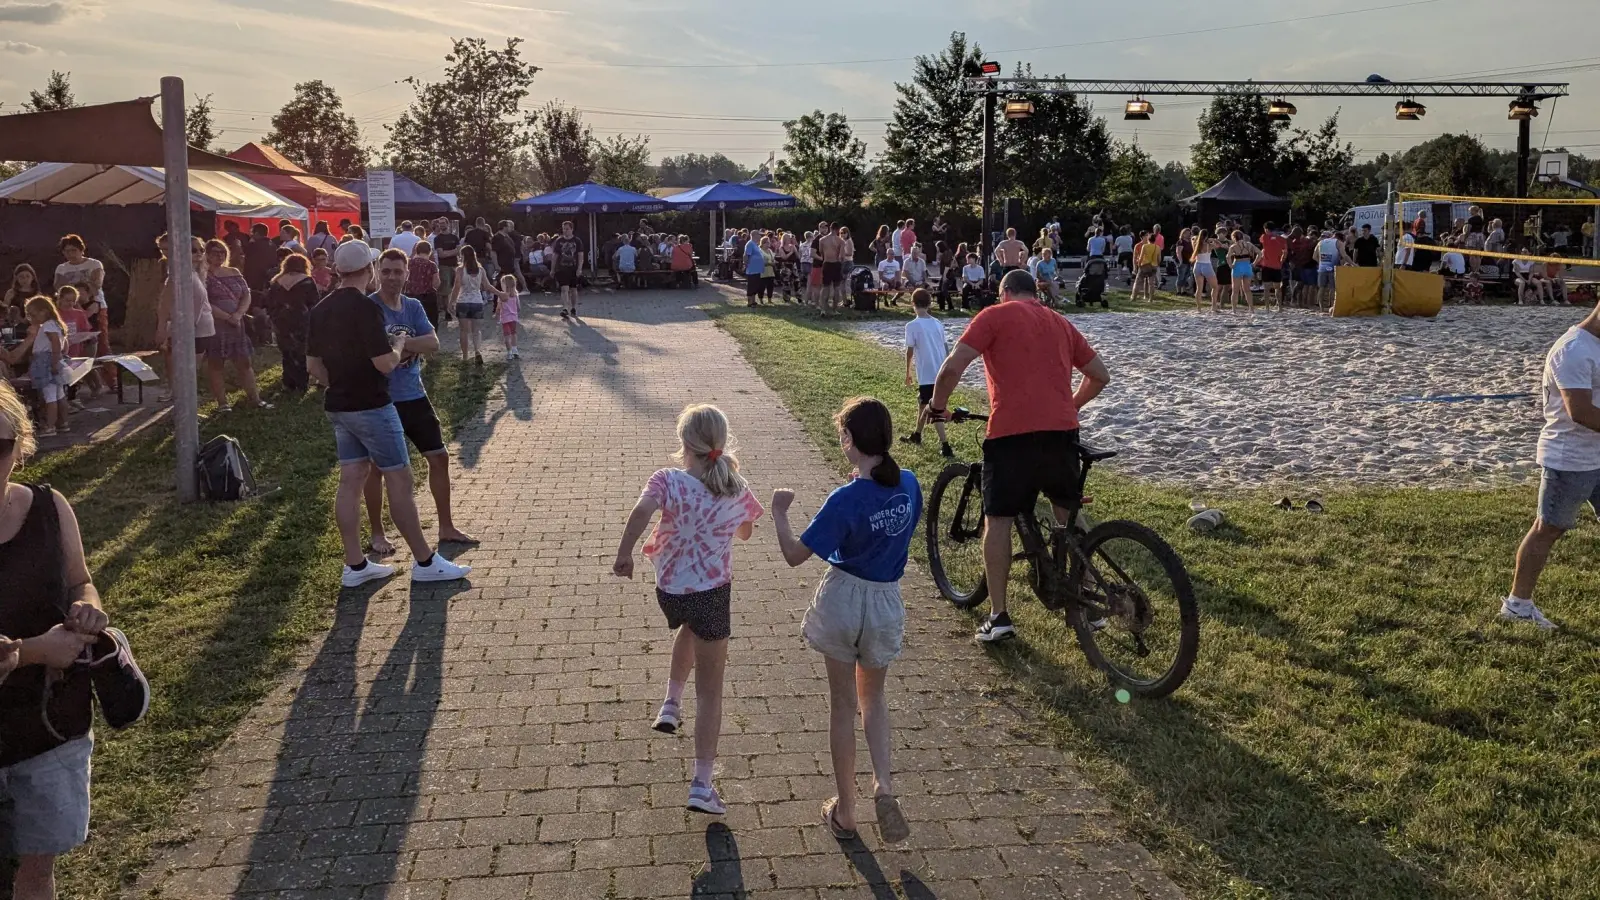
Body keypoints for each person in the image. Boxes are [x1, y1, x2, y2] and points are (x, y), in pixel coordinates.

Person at [0, 377, 145, 900]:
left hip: (51, 722)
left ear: (19, 448)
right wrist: (39, 650)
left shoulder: (47, 504)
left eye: (1, 446)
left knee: (37, 872)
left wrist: (90, 609)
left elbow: (80, 577)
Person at [928, 269, 1110, 642]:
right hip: (1061, 432)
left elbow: (950, 368)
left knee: (999, 520)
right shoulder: (1059, 322)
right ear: (1034, 292)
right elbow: (1099, 375)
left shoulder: (994, 315)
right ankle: (1089, 600)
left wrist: (937, 406)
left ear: (1005, 292)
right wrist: (1069, 406)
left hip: (1011, 434)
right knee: (1067, 511)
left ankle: (999, 617)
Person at [770, 397, 918, 845]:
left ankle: (847, 812)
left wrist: (779, 514)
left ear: (851, 441)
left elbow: (796, 556)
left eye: (842, 436)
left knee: (842, 707)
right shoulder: (910, 485)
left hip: (844, 601)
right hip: (886, 602)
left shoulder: (845, 499)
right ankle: (884, 786)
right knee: (873, 699)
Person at [612, 404, 764, 816]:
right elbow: (747, 531)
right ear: (721, 442)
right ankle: (701, 784)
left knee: (688, 630)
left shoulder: (667, 480)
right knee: (711, 691)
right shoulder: (736, 487)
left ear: (684, 444)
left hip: (671, 591)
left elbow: (642, 512)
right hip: (712, 594)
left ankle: (670, 703)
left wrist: (625, 554)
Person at [308, 241, 471, 587]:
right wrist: (397, 346)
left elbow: (313, 366)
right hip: (374, 407)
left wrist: (341, 382)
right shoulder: (366, 309)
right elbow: (384, 364)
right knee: (399, 480)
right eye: (382, 270)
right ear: (370, 270)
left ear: (337, 269)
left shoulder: (320, 309)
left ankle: (355, 566)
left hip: (339, 406)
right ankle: (426, 563)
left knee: (350, 479)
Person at [360, 248, 478, 558]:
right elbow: (369, 352)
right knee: (377, 469)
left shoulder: (412, 307)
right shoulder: (367, 308)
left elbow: (434, 343)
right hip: (381, 400)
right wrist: (408, 348)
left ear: (407, 274)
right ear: (376, 272)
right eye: (386, 271)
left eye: (398, 272)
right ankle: (377, 533)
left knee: (439, 458)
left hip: (414, 395)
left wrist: (398, 345)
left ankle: (446, 527)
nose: (392, 277)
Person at [1500, 299, 1600, 630]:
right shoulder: (1573, 349)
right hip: (1569, 459)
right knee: (1548, 528)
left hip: (1596, 455)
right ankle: (1518, 606)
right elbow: (1580, 412)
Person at [202, 240, 270, 411]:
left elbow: (246, 294)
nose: (219, 255)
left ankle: (255, 398)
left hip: (237, 324)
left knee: (244, 362)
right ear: (207, 254)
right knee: (216, 364)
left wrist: (238, 314)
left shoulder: (233, 271)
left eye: (222, 252)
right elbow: (205, 301)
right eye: (215, 252)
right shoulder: (203, 274)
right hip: (216, 326)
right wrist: (226, 316)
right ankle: (223, 403)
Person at [6, 296, 70, 436]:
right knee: (59, 394)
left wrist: (54, 361)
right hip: (52, 360)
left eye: (33, 315)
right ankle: (63, 423)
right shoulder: (56, 324)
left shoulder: (47, 326)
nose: (31, 318)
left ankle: (50, 426)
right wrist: (60, 357)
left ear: (45, 311)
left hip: (45, 362)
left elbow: (55, 343)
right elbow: (63, 344)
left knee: (49, 396)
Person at [901, 289, 952, 456]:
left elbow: (909, 351)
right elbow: (945, 347)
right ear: (929, 304)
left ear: (912, 304)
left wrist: (908, 372)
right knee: (923, 404)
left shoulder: (912, 325)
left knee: (934, 408)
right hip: (941, 370)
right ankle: (917, 434)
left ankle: (945, 445)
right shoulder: (937, 323)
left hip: (927, 373)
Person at [265, 253, 318, 394]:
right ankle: (301, 384)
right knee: (301, 353)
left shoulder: (276, 281)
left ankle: (288, 383)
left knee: (286, 353)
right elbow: (314, 302)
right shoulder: (307, 281)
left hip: (281, 321)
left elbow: (269, 303)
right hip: (301, 321)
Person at [451, 245, 494, 363]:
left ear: (463, 256)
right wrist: (499, 293)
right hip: (477, 301)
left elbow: (457, 286)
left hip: (463, 301)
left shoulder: (460, 270)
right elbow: (487, 286)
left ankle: (465, 356)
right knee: (477, 330)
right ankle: (477, 351)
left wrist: (451, 301)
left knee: (464, 331)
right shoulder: (481, 270)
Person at [549, 220, 585, 320]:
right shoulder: (559, 241)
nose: (565, 231)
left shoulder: (577, 241)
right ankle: (565, 308)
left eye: (567, 229)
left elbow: (580, 255)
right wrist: (552, 269)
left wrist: (579, 269)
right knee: (564, 289)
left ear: (572, 229)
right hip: (562, 268)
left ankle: (573, 307)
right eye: (564, 229)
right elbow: (555, 256)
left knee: (573, 289)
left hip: (573, 268)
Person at [406, 241, 442, 330]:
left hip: (410, 296)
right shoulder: (431, 265)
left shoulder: (408, 263)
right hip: (428, 297)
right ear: (429, 251)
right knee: (430, 323)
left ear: (416, 250)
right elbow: (436, 283)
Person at [816, 223, 846, 316]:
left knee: (825, 287)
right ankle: (834, 310)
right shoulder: (841, 241)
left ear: (830, 228)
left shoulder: (822, 240)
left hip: (827, 264)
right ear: (837, 230)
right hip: (836, 264)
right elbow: (842, 256)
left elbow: (821, 252)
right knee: (836, 288)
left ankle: (823, 310)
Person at [1258, 222, 1288, 311]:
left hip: (1267, 265)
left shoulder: (1264, 237)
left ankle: (1267, 307)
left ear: (1266, 229)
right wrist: (1282, 260)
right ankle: (1280, 307)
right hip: (1277, 266)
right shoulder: (1281, 239)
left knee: (1266, 288)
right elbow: (1285, 252)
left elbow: (1262, 242)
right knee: (1277, 288)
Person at [1227, 230, 1256, 314]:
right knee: (1247, 290)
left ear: (1233, 237)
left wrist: (1230, 265)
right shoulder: (1249, 244)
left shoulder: (1233, 246)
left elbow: (1228, 257)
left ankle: (1234, 310)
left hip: (1238, 266)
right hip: (1247, 266)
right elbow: (1260, 253)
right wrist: (1254, 263)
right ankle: (1251, 308)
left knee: (1235, 290)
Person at [1314, 229, 1343, 313]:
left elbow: (1314, 256)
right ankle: (1332, 306)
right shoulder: (1335, 244)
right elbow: (1341, 256)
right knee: (1332, 288)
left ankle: (1321, 308)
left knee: (1321, 288)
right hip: (1332, 268)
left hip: (1322, 268)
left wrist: (1321, 263)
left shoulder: (1320, 243)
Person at [492, 220, 525, 293]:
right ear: (504, 227)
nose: (509, 228)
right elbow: (493, 252)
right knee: (500, 282)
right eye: (508, 226)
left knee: (509, 282)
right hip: (502, 264)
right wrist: (496, 265)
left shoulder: (507, 237)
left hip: (510, 264)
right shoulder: (497, 237)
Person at [1192, 230, 1219, 312]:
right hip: (1206, 265)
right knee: (1215, 287)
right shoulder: (1208, 245)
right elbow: (1218, 245)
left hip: (1197, 265)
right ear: (1206, 236)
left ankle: (1199, 308)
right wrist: (1212, 239)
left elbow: (1193, 238)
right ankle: (1214, 306)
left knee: (1199, 288)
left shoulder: (1195, 244)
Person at [495, 274, 521, 359]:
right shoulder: (515, 295)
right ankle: (515, 349)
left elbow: (498, 308)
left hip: (505, 318)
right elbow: (518, 307)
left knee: (506, 335)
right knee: (514, 333)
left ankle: (509, 352)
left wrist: (496, 314)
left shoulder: (502, 296)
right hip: (513, 317)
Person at [1133, 232, 1160, 304]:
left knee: (1138, 281)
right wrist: (1156, 264)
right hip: (1153, 266)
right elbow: (1159, 259)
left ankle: (1134, 297)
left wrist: (1139, 265)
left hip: (1145, 265)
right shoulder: (1157, 247)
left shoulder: (1144, 246)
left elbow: (1141, 257)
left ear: (1148, 239)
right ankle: (1150, 299)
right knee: (1151, 283)